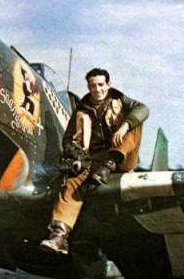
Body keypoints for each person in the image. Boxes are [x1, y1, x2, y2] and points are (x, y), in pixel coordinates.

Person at [40, 68, 149, 255]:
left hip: (122, 156)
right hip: (94, 158)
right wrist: (77, 155)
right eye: (93, 85)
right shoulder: (82, 109)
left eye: (101, 85)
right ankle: (59, 237)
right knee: (72, 184)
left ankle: (109, 163)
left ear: (108, 85)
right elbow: (67, 139)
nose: (97, 89)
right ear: (88, 87)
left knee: (134, 124)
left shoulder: (121, 101)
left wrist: (124, 126)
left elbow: (143, 109)